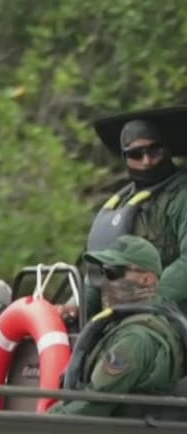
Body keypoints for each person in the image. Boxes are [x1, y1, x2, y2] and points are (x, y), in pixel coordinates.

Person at [51, 235, 187, 418]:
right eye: (100, 272)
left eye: (113, 272)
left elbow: (92, 406)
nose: (103, 282)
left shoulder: (136, 337)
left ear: (147, 280)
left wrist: (37, 423)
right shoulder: (121, 325)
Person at [84, 108, 187, 316]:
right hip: (128, 312)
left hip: (173, 313)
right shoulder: (118, 205)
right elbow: (99, 270)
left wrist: (148, 298)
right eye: (136, 154)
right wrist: (77, 305)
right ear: (125, 157)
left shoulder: (181, 196)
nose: (147, 161)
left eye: (154, 151)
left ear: (166, 149)